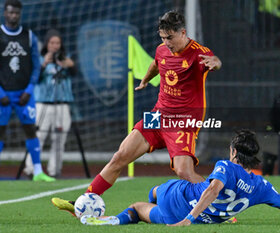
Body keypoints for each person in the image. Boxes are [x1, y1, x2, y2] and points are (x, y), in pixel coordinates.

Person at [51, 10, 222, 214]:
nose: (166, 42)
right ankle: (84, 200)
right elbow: (157, 63)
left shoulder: (198, 53)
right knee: (120, 156)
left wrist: (216, 63)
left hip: (182, 121)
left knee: (184, 171)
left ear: (183, 32)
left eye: (170, 38)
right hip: (158, 116)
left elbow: (215, 61)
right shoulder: (162, 50)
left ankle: (219, 209)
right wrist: (146, 79)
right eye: (163, 38)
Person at [79, 130, 280, 226]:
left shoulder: (226, 166)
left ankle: (112, 218)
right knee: (147, 209)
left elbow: (213, 189)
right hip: (199, 218)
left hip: (182, 199)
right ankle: (115, 220)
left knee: (151, 195)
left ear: (234, 151)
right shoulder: (262, 186)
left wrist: (188, 219)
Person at [0, 0, 55, 182]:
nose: (13, 16)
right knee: (0, 131)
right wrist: (1, 93)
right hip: (3, 94)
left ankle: (38, 171)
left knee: (31, 129)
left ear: (20, 14)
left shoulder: (29, 36)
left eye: (16, 13)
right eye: (10, 12)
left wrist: (30, 89)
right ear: (4, 13)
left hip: (24, 93)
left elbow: (36, 66)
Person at [23, 29, 75, 177]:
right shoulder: (39, 58)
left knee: (59, 138)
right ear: (47, 43)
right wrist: (44, 63)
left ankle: (54, 170)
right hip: (43, 103)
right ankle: (31, 169)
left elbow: (74, 73)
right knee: (38, 136)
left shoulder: (65, 58)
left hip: (62, 103)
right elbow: (34, 78)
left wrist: (69, 65)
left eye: (58, 43)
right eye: (52, 42)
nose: (55, 46)